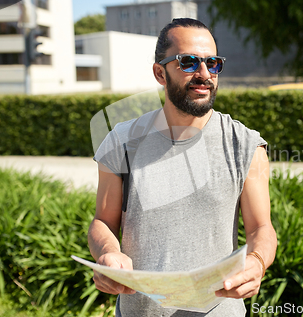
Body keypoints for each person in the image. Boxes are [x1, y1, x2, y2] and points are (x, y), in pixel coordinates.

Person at [88, 18, 277, 317]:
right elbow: (103, 222)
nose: (204, 74)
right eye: (188, 62)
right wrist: (108, 254)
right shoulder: (121, 141)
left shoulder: (246, 144)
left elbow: (261, 228)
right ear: (160, 73)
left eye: (212, 63)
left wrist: (257, 261)